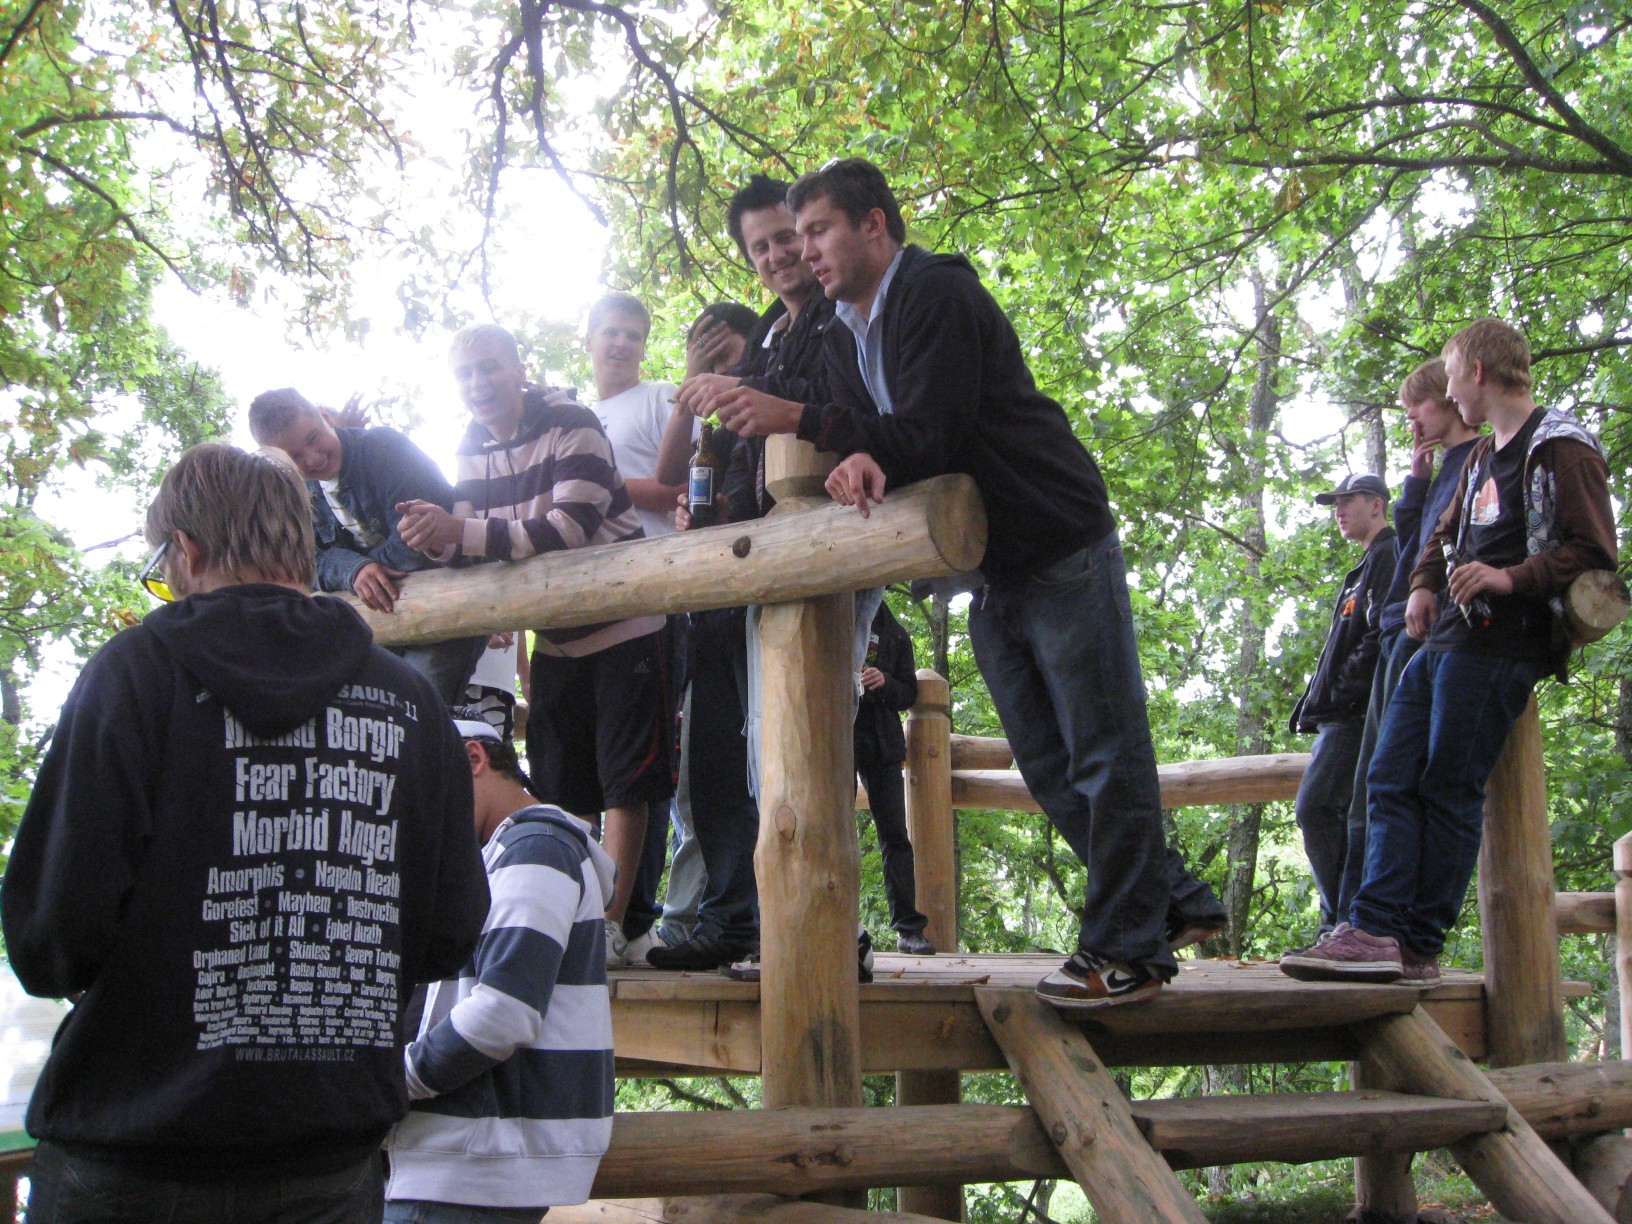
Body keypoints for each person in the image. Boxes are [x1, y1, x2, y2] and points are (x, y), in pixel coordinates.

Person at [682, 157, 1226, 1006]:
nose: (806, 251)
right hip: (989, 566)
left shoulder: (936, 294)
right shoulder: (852, 330)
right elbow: (887, 434)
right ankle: (1175, 901)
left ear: (874, 225)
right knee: (1046, 764)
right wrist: (856, 457)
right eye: (793, 237)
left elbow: (932, 429)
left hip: (1060, 541)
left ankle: (1128, 948)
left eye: (818, 230)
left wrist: (808, 422)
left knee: (1102, 749)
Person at [4, 443, 489, 1221]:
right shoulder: (410, 703)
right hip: (326, 1160)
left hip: (134, 1148)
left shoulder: (133, 674)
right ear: (299, 548)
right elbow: (450, 931)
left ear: (188, 552)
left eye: (162, 570)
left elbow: (52, 936)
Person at [1282, 318, 1617, 986]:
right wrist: (1421, 585)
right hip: (1442, 641)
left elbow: (1595, 550)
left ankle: (1416, 943)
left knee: (1448, 789)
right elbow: (1440, 533)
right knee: (1388, 775)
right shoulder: (1485, 453)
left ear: (1479, 373)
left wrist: (1509, 577)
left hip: (1503, 646)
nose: (1451, 391)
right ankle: (1373, 929)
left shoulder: (1560, 447)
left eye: (1454, 374)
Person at [397, 324, 674, 975]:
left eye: (489, 367)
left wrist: (461, 531)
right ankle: (573, 913)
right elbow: (471, 541)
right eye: (465, 373)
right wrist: (431, 537)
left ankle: (611, 926)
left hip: (629, 623)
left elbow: (567, 527)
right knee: (564, 783)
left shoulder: (572, 423)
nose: (478, 383)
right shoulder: (470, 445)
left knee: (625, 782)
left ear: (519, 370)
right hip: (553, 636)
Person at [643, 176, 844, 974]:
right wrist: (708, 502)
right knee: (723, 761)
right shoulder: (770, 338)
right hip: (730, 575)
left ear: (811, 234)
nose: (779, 255)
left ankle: (826, 929)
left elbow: (833, 406)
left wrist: (741, 383)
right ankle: (731, 917)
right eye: (760, 247)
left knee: (789, 750)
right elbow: (708, 458)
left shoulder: (839, 317)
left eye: (786, 237)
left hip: (802, 561)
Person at [385, 718, 614, 1221]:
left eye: (423, 792)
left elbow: (504, 1011)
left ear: (473, 760)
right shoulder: (497, 856)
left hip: (469, 1166)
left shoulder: (536, 849)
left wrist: (389, 1083)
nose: (419, 816)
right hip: (463, 1161)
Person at [1330, 360, 1481, 928]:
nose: (1411, 418)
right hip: (1402, 626)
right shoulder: (1443, 468)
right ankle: (1350, 920)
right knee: (1376, 781)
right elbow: (1417, 540)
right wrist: (1417, 483)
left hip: (1426, 633)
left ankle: (1371, 923)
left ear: (1449, 398)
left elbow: (1445, 551)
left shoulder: (1478, 460)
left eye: (1417, 405)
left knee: (1393, 780)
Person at [248, 387, 488, 705]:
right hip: (376, 624)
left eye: (313, 438)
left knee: (417, 707)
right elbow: (303, 563)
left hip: (446, 612)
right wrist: (355, 569)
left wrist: (361, 568)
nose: (313, 458)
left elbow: (416, 548)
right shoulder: (294, 493)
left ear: (326, 417)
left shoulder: (385, 449)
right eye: (295, 457)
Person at [582, 292, 692, 968]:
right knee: (590, 770)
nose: (621, 344)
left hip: (655, 597)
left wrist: (595, 487)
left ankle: (633, 918)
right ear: (589, 340)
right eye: (610, 332)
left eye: (633, 334)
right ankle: (589, 913)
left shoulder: (661, 400)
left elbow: (683, 488)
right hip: (585, 609)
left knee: (643, 767)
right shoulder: (575, 416)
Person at [1286, 473, 1396, 937]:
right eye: (1335, 503)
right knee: (1343, 817)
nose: (1339, 510)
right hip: (1345, 713)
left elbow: (1382, 635)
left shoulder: (1388, 555)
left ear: (1377, 504)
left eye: (1348, 500)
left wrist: (1343, 691)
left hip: (1357, 714)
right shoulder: (1365, 566)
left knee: (1316, 808)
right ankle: (1341, 924)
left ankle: (1343, 923)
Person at [855, 601, 934, 955]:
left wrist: (885, 681)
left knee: (895, 836)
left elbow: (908, 693)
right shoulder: (832, 615)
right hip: (836, 738)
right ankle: (839, 925)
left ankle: (909, 929)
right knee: (831, 834)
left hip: (882, 743)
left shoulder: (895, 632)